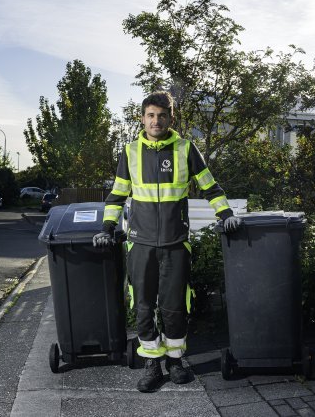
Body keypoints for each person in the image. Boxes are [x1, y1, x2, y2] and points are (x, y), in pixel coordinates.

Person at [93, 91, 241, 393]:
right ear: (143, 118)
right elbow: (117, 194)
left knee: (175, 307)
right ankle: (152, 364)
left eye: (161, 115)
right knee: (144, 307)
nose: (156, 120)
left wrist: (225, 214)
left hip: (175, 243)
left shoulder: (186, 149)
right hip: (141, 244)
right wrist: (108, 227)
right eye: (150, 115)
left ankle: (175, 361)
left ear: (170, 118)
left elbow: (210, 186)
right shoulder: (130, 151)